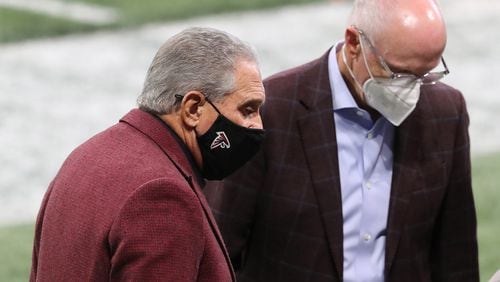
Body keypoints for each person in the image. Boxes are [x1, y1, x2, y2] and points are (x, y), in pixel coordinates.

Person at [204, 0, 479, 281]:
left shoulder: (445, 112)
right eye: (399, 73)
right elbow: (220, 245)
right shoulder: (268, 111)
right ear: (353, 43)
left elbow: (456, 252)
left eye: (424, 75)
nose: (411, 89)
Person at [30, 27, 265, 281]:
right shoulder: (162, 195)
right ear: (193, 108)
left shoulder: (84, 156)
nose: (258, 125)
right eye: (248, 109)